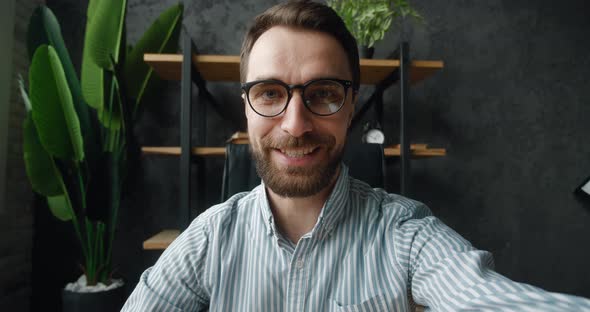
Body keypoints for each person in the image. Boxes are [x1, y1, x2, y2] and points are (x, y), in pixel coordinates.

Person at [122, 1, 590, 311]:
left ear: (351, 106)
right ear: (245, 107)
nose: (295, 123)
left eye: (323, 93)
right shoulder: (208, 240)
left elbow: (486, 298)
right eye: (269, 93)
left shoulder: (408, 236)